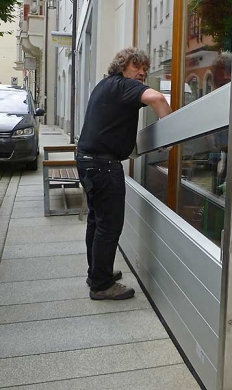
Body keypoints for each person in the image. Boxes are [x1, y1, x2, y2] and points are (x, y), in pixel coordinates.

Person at [76, 47, 172, 300]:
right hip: (103, 166)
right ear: (122, 67)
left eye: (145, 69)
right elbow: (158, 99)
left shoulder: (105, 85)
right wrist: (171, 137)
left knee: (96, 222)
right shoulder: (124, 85)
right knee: (109, 226)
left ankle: (96, 273)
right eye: (136, 66)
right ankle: (101, 285)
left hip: (87, 160)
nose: (141, 72)